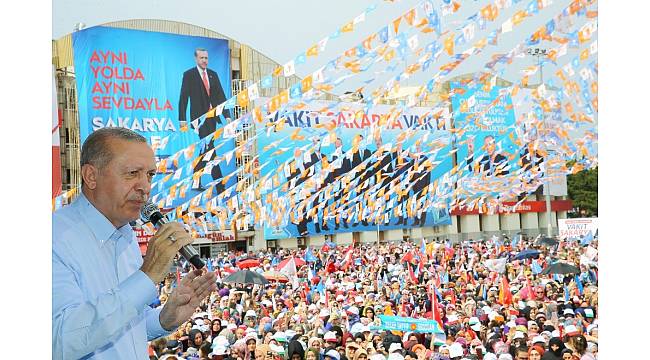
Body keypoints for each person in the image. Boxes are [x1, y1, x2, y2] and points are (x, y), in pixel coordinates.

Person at [53, 127, 217, 359]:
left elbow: (124, 328)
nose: (145, 187)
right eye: (132, 173)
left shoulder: (127, 237)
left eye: (149, 175)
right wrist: (147, 275)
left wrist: (165, 318)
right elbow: (61, 340)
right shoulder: (54, 237)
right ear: (91, 176)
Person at [178, 47, 230, 190]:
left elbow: (221, 96)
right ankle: (220, 186)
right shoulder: (189, 75)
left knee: (205, 150)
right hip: (199, 120)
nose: (205, 60)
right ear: (196, 59)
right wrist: (182, 118)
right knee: (210, 149)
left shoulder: (213, 74)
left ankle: (196, 181)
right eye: (202, 58)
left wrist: (227, 115)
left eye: (206, 58)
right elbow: (184, 97)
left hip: (212, 118)